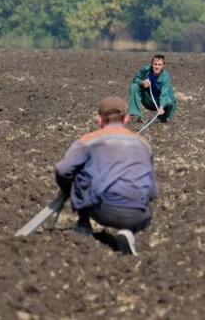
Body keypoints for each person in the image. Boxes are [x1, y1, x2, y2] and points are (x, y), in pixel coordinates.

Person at [55, 96, 158, 255]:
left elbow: (63, 170)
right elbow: (153, 191)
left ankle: (83, 226)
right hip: (141, 215)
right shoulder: (143, 143)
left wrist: (67, 189)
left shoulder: (88, 141)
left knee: (78, 170)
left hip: (103, 210)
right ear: (125, 119)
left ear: (99, 118)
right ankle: (129, 230)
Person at [128, 54, 177, 123]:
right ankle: (134, 114)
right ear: (151, 64)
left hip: (160, 102)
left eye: (159, 65)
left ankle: (162, 117)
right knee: (134, 86)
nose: (157, 67)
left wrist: (161, 107)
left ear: (164, 65)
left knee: (169, 102)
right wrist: (142, 82)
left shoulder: (165, 77)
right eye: (155, 64)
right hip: (147, 99)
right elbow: (135, 79)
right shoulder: (146, 70)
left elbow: (164, 94)